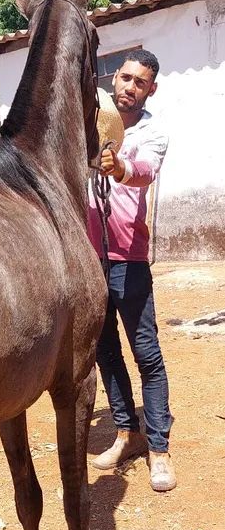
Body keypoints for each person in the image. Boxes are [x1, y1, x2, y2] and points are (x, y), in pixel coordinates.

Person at [87, 49, 176, 492]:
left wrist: (120, 166)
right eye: (125, 78)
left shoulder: (152, 131)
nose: (129, 87)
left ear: (150, 89)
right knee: (105, 351)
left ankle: (159, 448)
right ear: (114, 78)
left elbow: (145, 172)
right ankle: (127, 433)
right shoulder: (93, 124)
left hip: (129, 260)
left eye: (140, 82)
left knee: (147, 355)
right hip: (87, 262)